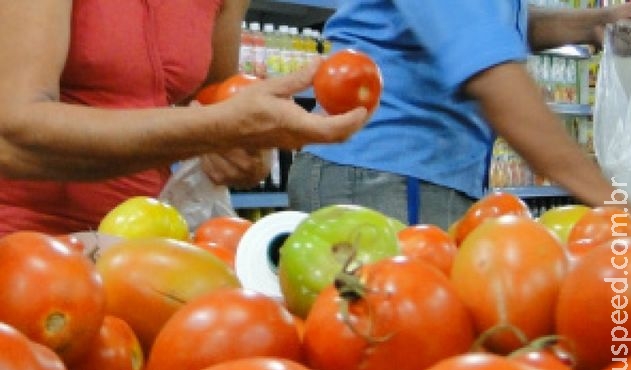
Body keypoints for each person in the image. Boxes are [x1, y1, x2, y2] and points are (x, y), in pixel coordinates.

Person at [0, 0, 367, 236]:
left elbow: (216, 96)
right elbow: (13, 139)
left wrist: (244, 148)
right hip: (21, 238)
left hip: (143, 237)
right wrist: (217, 128)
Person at [288, 1, 631, 229]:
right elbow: (492, 77)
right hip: (386, 173)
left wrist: (595, 22)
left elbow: (499, 25)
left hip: (401, 174)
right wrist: (619, 207)